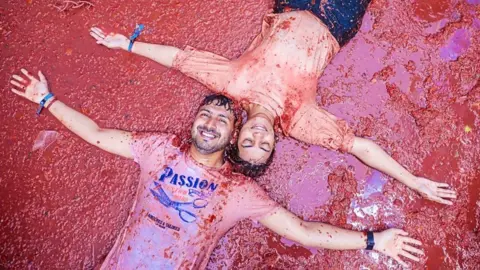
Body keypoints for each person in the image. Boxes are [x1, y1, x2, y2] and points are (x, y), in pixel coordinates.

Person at [10, 68, 424, 268]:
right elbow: (98, 134)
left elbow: (303, 230)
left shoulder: (238, 193)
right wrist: (46, 101)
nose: (209, 123)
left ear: (232, 139)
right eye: (205, 115)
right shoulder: (157, 149)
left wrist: (374, 241)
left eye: (221, 121)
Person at [89, 0, 457, 205]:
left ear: (237, 135)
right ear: (273, 145)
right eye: (264, 147)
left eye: (249, 142)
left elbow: (179, 59)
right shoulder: (298, 121)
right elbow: (360, 147)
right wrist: (414, 182)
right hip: (338, 17)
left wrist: (128, 45)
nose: (260, 137)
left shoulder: (231, 84)